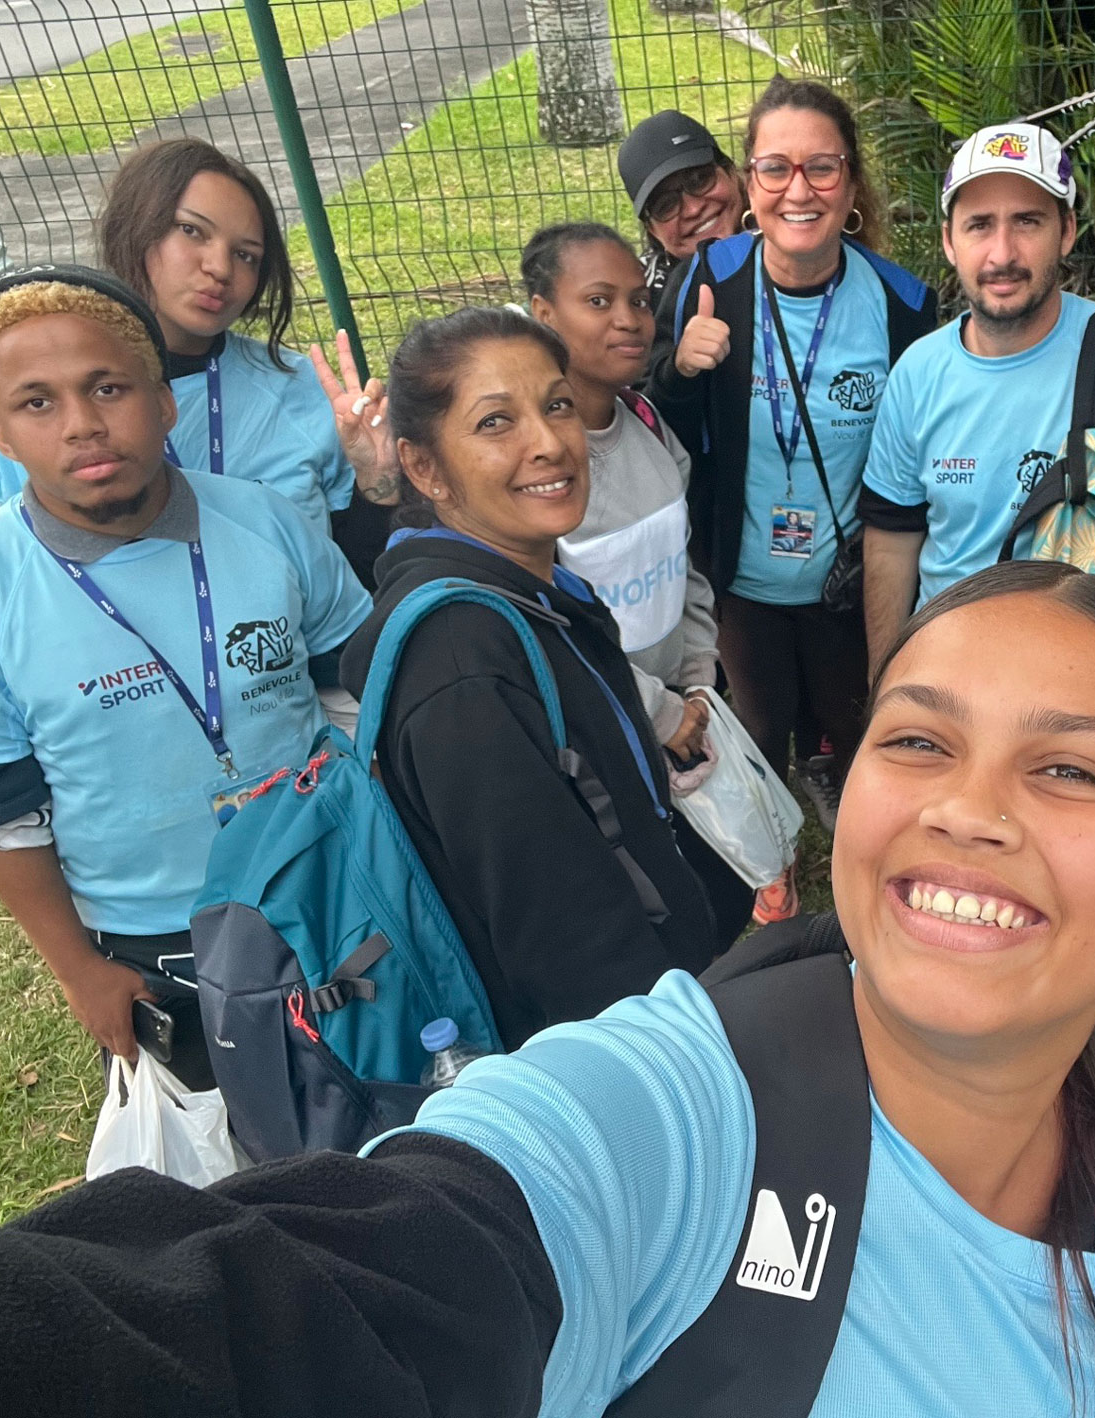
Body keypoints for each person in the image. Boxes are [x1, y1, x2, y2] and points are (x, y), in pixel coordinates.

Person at [0, 560, 1095, 1418]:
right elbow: (325, 1297)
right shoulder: (667, 1121)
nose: (969, 808)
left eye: (1074, 772)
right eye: (918, 739)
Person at [0, 266, 372, 1090]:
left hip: (330, 888)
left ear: (165, 401)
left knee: (382, 1115)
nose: (83, 424)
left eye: (109, 387)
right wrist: (80, 970)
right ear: (0, 436)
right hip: (154, 944)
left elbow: (356, 679)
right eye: (38, 403)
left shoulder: (263, 519)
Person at [338, 306, 720, 1050]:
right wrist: (680, 1059)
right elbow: (564, 939)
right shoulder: (463, 670)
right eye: (494, 423)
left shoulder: (523, 589)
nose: (549, 444)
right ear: (423, 466)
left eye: (557, 405)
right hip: (620, 1051)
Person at [647, 76, 938, 924]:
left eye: (821, 167)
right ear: (749, 181)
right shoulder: (710, 276)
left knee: (859, 734)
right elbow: (662, 423)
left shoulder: (901, 302)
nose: (797, 190)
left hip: (851, 583)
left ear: (850, 185)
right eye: (775, 168)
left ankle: (870, 881)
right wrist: (682, 368)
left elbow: (916, 450)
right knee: (756, 737)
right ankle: (769, 875)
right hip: (742, 580)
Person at [860, 121, 1095, 672]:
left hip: (1086, 678)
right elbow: (890, 549)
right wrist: (885, 687)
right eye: (978, 225)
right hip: (948, 674)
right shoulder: (917, 373)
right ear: (948, 241)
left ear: (1067, 229)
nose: (1001, 253)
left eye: (1027, 221)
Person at [0, 138, 402, 581]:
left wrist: (378, 481)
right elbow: (31, 569)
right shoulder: (38, 401)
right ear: (136, 225)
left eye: (246, 255)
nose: (220, 268)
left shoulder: (298, 389)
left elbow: (354, 572)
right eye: (192, 231)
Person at [520, 220, 750, 945]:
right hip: (597, 743)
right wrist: (654, 711)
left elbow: (683, 572)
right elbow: (546, 621)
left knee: (712, 906)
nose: (628, 320)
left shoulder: (649, 426)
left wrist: (695, 680)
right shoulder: (537, 467)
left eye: (638, 300)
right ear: (542, 312)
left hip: (675, 722)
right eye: (597, 301)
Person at [618, 109, 747, 301]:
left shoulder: (792, 240)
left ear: (730, 172)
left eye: (700, 180)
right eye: (666, 205)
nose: (693, 209)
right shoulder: (644, 301)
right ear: (652, 230)